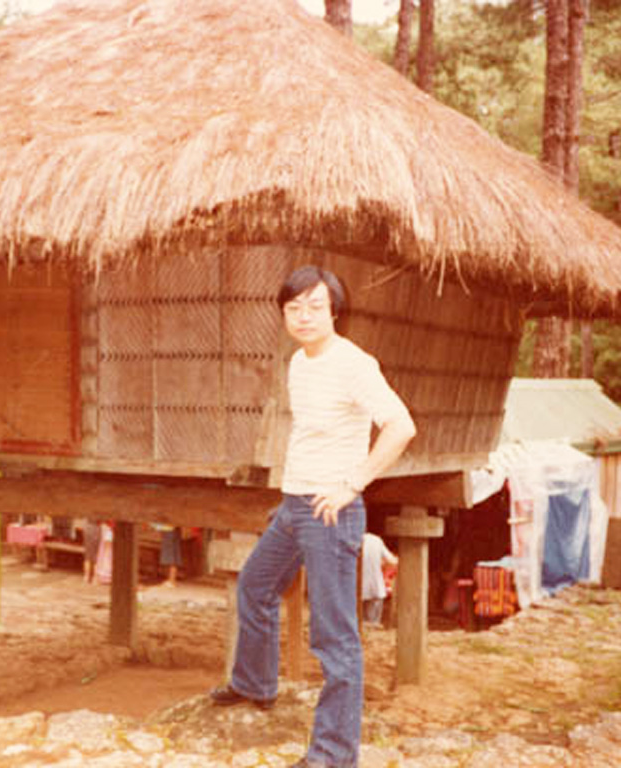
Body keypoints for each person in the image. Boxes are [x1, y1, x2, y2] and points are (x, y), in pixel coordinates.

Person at [208, 265, 416, 768]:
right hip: (294, 504)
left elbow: (401, 426)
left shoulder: (355, 364)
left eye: (314, 306)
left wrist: (353, 483)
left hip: (331, 512)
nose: (304, 316)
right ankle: (255, 684)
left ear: (334, 310)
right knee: (255, 586)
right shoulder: (300, 362)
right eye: (293, 308)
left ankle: (334, 753)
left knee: (333, 634)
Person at [362, 532, 398, 626]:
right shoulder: (376, 541)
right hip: (375, 587)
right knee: (373, 624)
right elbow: (392, 561)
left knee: (359, 624)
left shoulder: (351, 539)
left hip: (357, 590)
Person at [82, 518, 101, 584]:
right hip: (96, 527)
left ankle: (86, 576)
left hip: (87, 526)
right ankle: (95, 577)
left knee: (87, 555)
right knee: (96, 554)